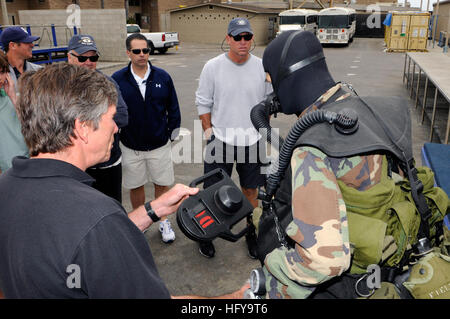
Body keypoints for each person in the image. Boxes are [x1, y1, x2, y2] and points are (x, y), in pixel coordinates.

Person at [0, 63, 248, 299]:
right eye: (111, 119)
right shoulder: (97, 216)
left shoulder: (8, 184)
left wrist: (154, 209)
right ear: (83, 128)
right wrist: (236, 298)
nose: (117, 129)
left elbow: (82, 242)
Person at [249, 30, 449, 299]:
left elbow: (325, 262)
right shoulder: (378, 111)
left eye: (271, 79)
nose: (271, 90)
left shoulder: (311, 145)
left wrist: (272, 270)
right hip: (400, 262)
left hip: (356, 284)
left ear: (288, 78)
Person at [195, 18, 273, 258]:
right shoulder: (212, 67)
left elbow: (268, 104)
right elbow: (203, 102)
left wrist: (263, 132)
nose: (242, 42)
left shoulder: (263, 67)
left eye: (247, 37)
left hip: (252, 142)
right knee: (214, 191)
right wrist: (210, 133)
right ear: (228, 38)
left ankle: (252, 231)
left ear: (252, 39)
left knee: (251, 191)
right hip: (220, 140)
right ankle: (207, 234)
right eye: (237, 37)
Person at [112, 33, 181, 243]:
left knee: (161, 185)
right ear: (128, 53)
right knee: (136, 186)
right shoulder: (117, 79)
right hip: (131, 146)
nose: (142, 55)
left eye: (146, 51)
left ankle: (163, 221)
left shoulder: (163, 77)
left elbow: (173, 108)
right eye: (137, 51)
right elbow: (112, 111)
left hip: (159, 145)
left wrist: (171, 133)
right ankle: (140, 221)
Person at [67, 34, 128, 203]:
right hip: (75, 166)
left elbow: (123, 116)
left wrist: (82, 122)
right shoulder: (60, 85)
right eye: (82, 57)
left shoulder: (108, 83)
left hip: (107, 164)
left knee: (112, 208)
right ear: (69, 57)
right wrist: (103, 119)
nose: (88, 62)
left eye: (93, 57)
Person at [0, 51, 28, 174]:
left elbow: (31, 129)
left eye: (2, 72)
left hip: (25, 166)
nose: (0, 78)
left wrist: (12, 96)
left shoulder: (14, 98)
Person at [0, 26, 42, 91]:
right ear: (12, 45)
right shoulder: (2, 75)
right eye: (27, 42)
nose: (32, 45)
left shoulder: (39, 71)